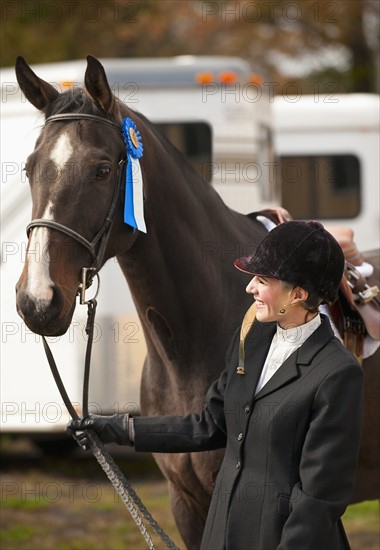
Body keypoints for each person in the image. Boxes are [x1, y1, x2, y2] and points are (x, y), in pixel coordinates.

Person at [68, 220, 364, 550]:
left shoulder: (337, 373)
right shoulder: (253, 336)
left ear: (298, 294)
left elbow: (319, 498)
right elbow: (209, 424)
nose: (249, 288)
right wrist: (117, 429)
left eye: (262, 280)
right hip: (222, 533)